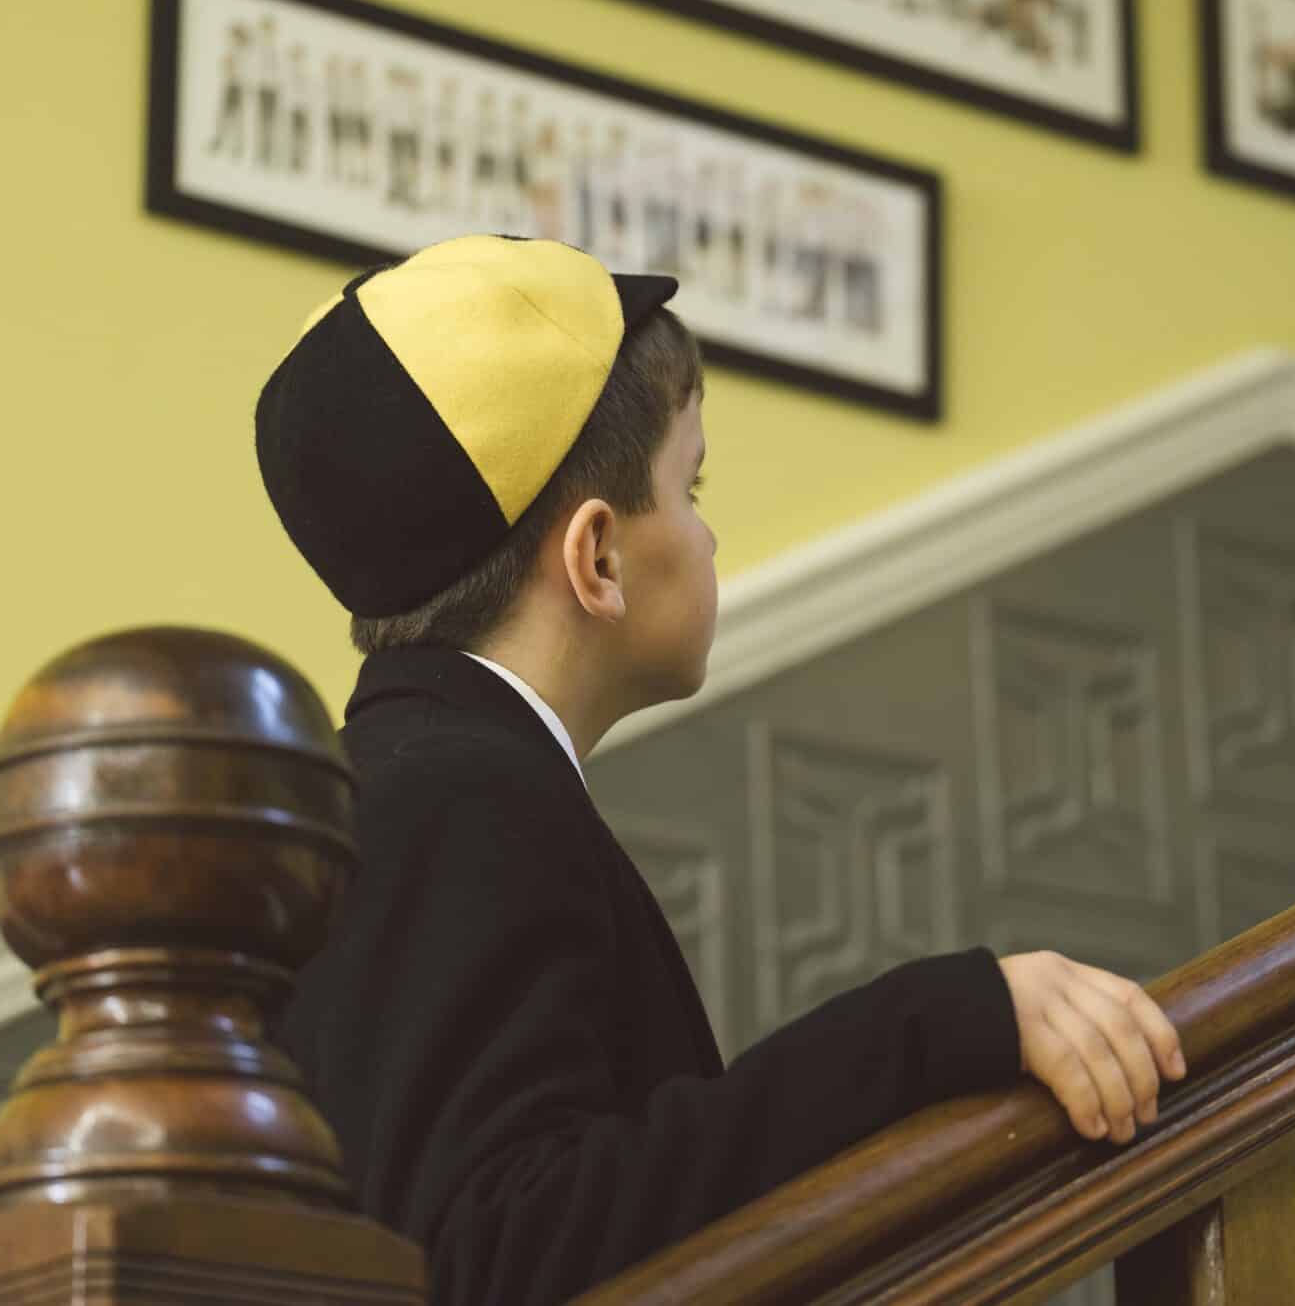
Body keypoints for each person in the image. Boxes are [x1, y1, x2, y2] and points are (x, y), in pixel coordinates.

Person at [256, 234, 1186, 1305]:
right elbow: (498, 1250)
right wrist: (926, 1028)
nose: (705, 540)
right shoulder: (466, 798)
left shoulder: (393, 782)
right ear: (596, 558)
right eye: (691, 487)